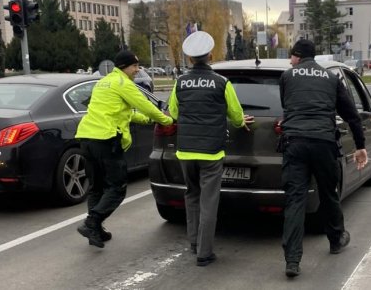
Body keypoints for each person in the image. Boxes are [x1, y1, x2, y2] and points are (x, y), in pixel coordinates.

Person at [278, 39, 368, 278]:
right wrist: (360, 146)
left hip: (294, 143)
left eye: (291, 57)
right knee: (329, 193)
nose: (290, 61)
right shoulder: (331, 78)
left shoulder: (287, 77)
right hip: (324, 143)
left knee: (295, 200)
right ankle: (336, 239)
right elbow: (352, 115)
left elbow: (287, 107)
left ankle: (292, 260)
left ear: (298, 56)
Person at [168, 31, 254, 266]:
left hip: (185, 151)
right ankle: (204, 253)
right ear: (210, 55)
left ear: (190, 59)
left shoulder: (180, 83)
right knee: (209, 201)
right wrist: (240, 123)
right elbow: (236, 115)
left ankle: (194, 242)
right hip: (211, 153)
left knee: (191, 195)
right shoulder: (221, 82)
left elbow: (174, 113)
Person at [75, 50, 173, 248]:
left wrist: (146, 120)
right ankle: (91, 222)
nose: (137, 70)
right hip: (105, 140)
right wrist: (166, 119)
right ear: (123, 67)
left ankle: (96, 230)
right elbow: (145, 105)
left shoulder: (104, 82)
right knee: (117, 188)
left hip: (86, 138)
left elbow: (119, 111)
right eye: (134, 66)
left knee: (97, 187)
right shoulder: (124, 84)